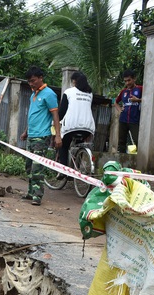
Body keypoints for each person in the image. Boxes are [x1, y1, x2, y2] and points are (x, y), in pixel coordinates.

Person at [20, 66, 62, 206]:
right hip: (31, 135)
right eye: (29, 82)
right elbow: (33, 115)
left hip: (42, 136)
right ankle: (31, 192)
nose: (31, 84)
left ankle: (37, 196)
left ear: (40, 78)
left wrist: (57, 135)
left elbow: (55, 115)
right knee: (29, 166)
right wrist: (26, 131)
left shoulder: (49, 94)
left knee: (37, 167)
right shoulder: (33, 94)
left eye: (33, 81)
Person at [58, 71, 95, 167]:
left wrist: (56, 121)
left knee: (64, 145)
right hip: (88, 127)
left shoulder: (68, 92)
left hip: (71, 126)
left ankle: (64, 171)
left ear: (74, 81)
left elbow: (62, 112)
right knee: (79, 145)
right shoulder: (90, 94)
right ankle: (76, 167)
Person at [115, 69, 142, 153]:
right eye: (125, 81)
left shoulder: (141, 89)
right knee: (121, 142)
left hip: (135, 120)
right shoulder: (123, 91)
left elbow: (148, 100)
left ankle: (140, 160)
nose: (127, 83)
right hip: (123, 120)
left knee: (137, 140)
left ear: (134, 79)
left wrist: (138, 100)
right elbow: (115, 101)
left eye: (129, 80)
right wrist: (119, 109)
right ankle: (121, 160)